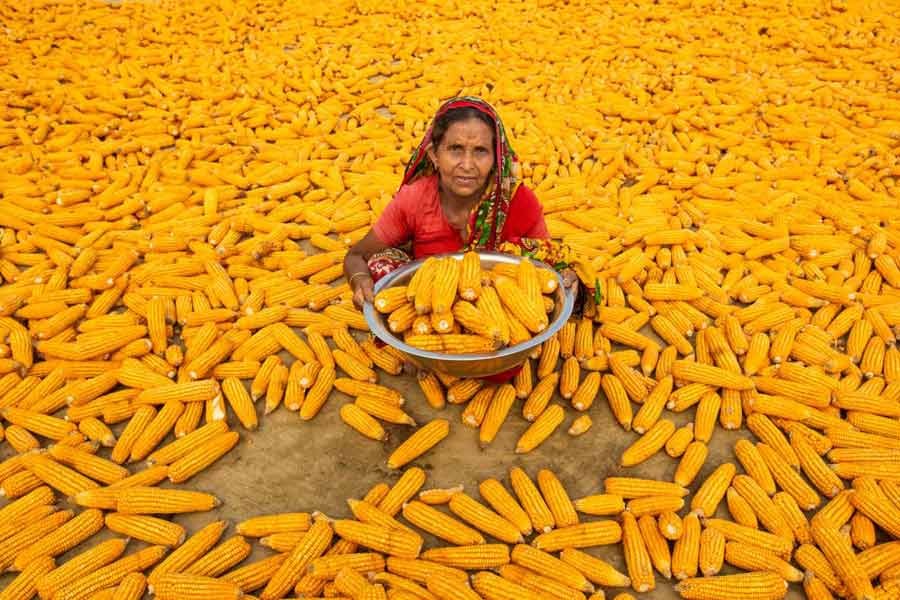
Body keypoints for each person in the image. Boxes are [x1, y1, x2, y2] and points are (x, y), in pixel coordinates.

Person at [344, 95, 580, 309]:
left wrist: (563, 277)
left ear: (497, 160)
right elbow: (357, 256)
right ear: (434, 155)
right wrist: (360, 281)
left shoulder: (519, 202)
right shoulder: (414, 199)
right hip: (432, 306)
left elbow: (547, 260)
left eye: (480, 151)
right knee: (381, 265)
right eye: (455, 149)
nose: (467, 165)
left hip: (504, 313)